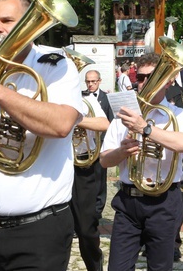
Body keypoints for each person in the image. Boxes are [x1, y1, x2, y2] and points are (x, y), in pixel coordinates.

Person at [0, 0, 83, 271]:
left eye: (6, 20)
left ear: (29, 22)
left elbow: (62, 124)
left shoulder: (56, 64)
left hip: (38, 232)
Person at [100, 52, 183, 271]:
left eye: (149, 78)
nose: (142, 84)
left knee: (160, 267)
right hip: (128, 201)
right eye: (139, 78)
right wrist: (121, 152)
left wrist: (146, 129)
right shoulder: (124, 117)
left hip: (164, 201)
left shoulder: (178, 114)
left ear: (167, 82)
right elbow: (104, 160)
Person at [72, 80, 111, 271]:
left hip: (81, 167)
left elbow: (104, 123)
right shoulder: (47, 99)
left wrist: (73, 120)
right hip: (54, 166)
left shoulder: (85, 99)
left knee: (87, 229)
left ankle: (95, 266)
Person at [84, 70, 115, 220]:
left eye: (93, 81)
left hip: (101, 144)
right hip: (85, 145)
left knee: (100, 180)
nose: (90, 84)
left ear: (99, 81)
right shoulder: (81, 96)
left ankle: (97, 212)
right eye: (87, 82)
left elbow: (111, 123)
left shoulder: (106, 99)